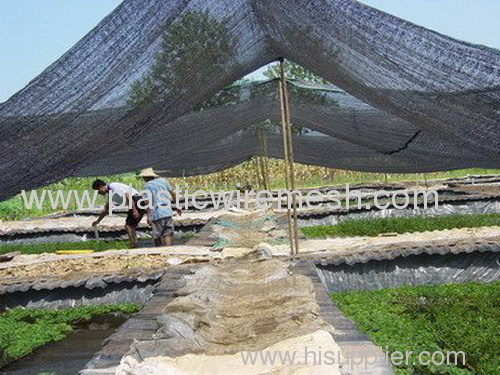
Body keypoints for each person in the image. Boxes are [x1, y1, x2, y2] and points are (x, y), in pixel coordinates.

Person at [91, 179, 145, 248]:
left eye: (98, 191)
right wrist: (97, 221)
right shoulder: (110, 194)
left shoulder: (113, 187)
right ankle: (135, 244)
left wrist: (134, 210)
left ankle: (133, 244)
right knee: (131, 225)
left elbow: (127, 195)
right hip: (135, 202)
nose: (99, 193)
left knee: (128, 225)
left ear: (101, 187)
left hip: (136, 200)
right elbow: (106, 209)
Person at [139, 168, 181, 246]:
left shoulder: (146, 186)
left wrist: (148, 216)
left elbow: (147, 202)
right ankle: (168, 250)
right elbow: (173, 193)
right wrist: (178, 206)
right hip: (168, 212)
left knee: (157, 236)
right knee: (168, 234)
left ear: (145, 177)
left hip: (156, 213)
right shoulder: (163, 181)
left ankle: (159, 251)